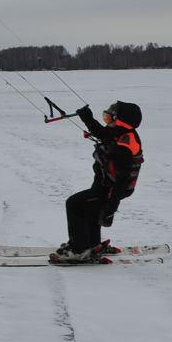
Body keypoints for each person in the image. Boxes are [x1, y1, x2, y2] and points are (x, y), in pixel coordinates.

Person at [50, 101, 144, 264]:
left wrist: (111, 208)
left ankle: (79, 250)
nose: (107, 121)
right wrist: (88, 119)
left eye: (109, 118)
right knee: (91, 209)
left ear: (121, 121)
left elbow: (122, 180)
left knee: (74, 204)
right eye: (106, 117)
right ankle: (92, 244)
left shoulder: (125, 144)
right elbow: (102, 133)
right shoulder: (119, 132)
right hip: (104, 184)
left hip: (112, 189)